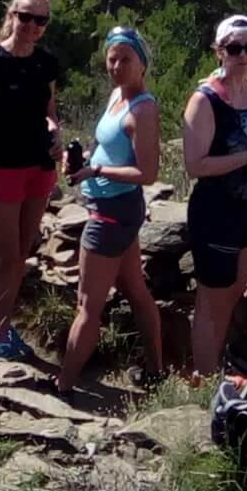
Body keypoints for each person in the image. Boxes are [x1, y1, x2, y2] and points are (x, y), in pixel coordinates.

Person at [179, 14, 247, 383]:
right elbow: (195, 165)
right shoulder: (205, 100)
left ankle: (213, 370)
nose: (242, 55)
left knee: (233, 292)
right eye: (234, 47)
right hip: (216, 209)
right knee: (211, 300)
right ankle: (203, 375)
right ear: (218, 50)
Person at [58, 26, 165, 393]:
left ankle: (64, 385)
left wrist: (96, 170)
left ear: (142, 64)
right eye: (112, 58)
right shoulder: (117, 95)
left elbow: (147, 173)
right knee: (135, 289)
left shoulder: (143, 109)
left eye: (126, 59)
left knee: (88, 305)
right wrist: (82, 161)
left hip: (112, 213)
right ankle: (157, 369)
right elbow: (107, 146)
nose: (117, 66)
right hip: (110, 207)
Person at [0, 0, 62, 363]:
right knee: (7, 254)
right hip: (3, 165)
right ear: (11, 15)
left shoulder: (46, 62)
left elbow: (50, 109)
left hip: (39, 164)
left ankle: (3, 323)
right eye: (25, 16)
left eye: (40, 19)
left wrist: (56, 131)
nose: (31, 25)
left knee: (22, 251)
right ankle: (1, 328)